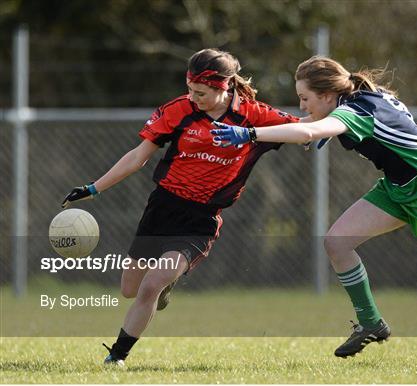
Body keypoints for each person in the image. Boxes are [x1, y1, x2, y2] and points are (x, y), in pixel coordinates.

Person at [211, 56, 417, 364]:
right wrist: (258, 125)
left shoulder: (354, 110)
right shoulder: (357, 98)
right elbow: (307, 126)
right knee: (336, 242)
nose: (301, 106)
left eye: (304, 98)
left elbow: (308, 131)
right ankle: (370, 322)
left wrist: (249, 134)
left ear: (327, 95)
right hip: (397, 189)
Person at [61, 48, 301, 367]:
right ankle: (164, 284)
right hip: (163, 206)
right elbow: (137, 157)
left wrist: (339, 120)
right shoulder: (178, 110)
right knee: (129, 289)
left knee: (151, 285)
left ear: (223, 87)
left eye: (200, 92)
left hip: (201, 219)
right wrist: (94, 188)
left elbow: (304, 130)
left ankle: (116, 356)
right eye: (189, 89)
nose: (192, 97)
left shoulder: (253, 115)